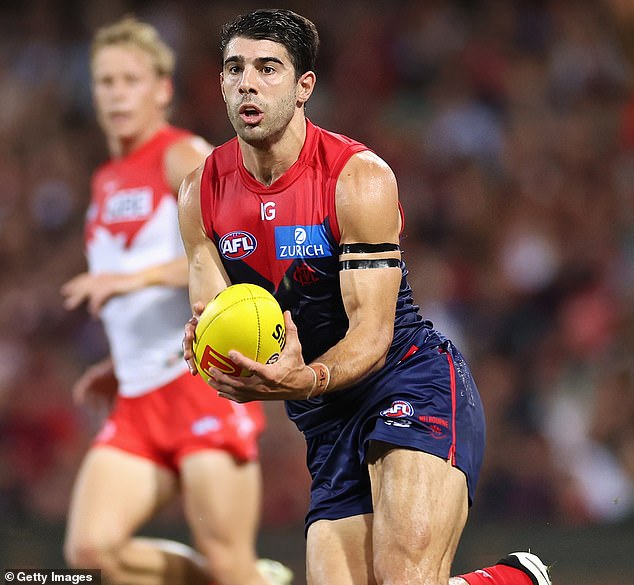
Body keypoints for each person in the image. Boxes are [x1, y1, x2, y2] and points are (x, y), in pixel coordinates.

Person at [178, 8, 552, 585]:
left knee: (404, 578)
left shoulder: (358, 178)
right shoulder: (199, 193)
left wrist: (304, 380)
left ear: (305, 87)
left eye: (268, 68)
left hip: (407, 380)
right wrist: (210, 355)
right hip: (325, 422)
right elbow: (221, 321)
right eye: (235, 68)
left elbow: (372, 335)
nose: (247, 82)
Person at [61, 15, 292, 585]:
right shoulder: (106, 179)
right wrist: (123, 362)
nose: (116, 94)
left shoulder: (180, 153)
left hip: (199, 383)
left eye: (130, 80)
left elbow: (237, 245)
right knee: (90, 554)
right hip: (139, 399)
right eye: (105, 82)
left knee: (229, 564)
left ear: (162, 89)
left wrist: (131, 281)